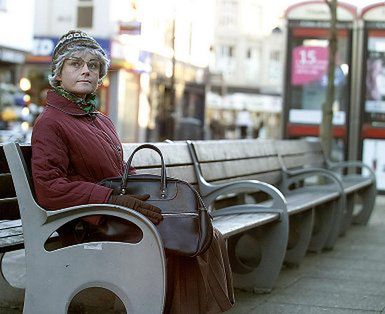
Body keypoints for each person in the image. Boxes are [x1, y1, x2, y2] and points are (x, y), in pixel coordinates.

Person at [31, 30, 234, 314]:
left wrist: (152, 196)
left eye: (93, 65)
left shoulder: (100, 121)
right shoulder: (51, 122)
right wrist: (110, 199)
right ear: (58, 72)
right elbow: (49, 186)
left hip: (116, 214)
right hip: (87, 223)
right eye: (75, 64)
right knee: (182, 238)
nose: (86, 70)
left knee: (199, 231)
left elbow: (122, 171)